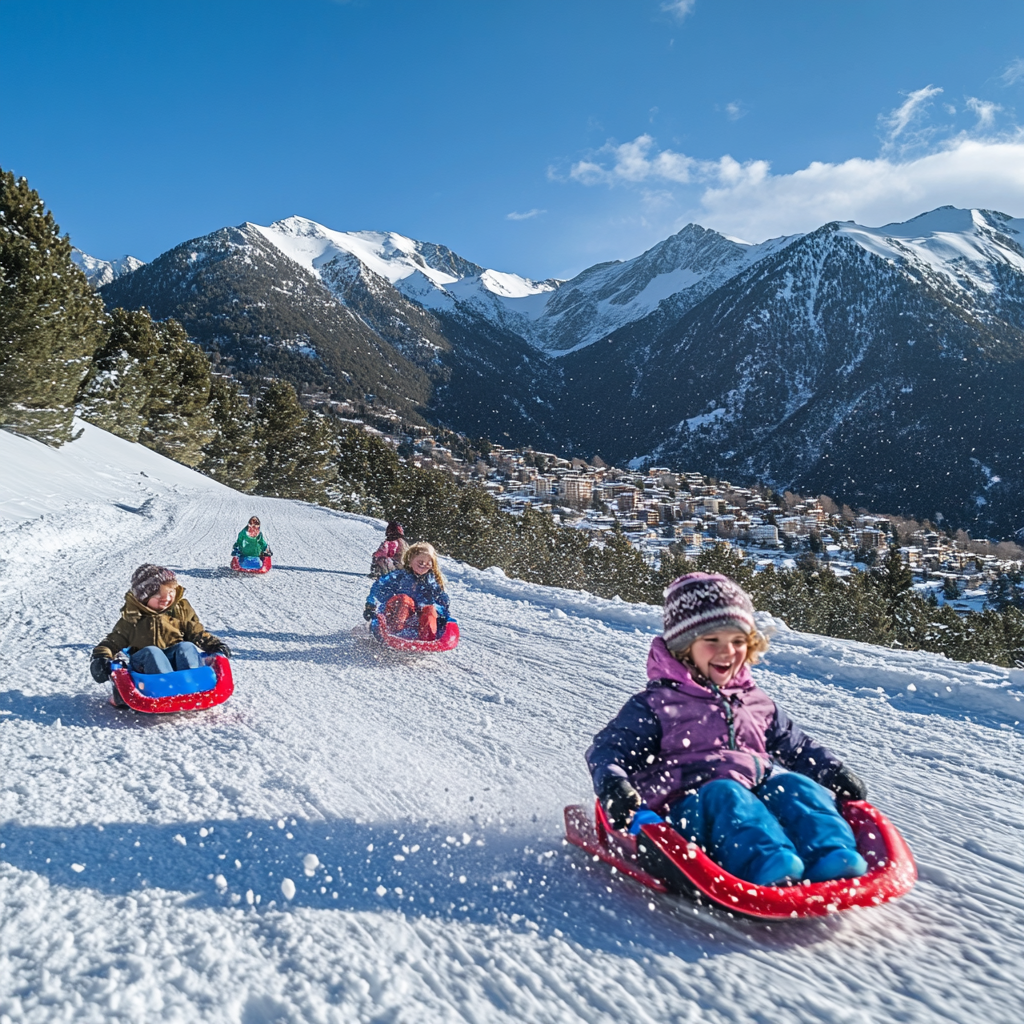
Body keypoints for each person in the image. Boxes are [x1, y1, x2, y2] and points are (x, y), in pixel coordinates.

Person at [586, 572, 869, 887]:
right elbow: (609, 749)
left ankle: (829, 854)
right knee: (726, 793)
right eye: (712, 640)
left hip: (750, 801)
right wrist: (614, 787)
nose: (727, 651)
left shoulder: (755, 701)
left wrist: (832, 771)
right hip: (683, 814)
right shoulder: (657, 705)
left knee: (792, 786)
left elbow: (797, 746)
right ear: (683, 646)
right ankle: (767, 863)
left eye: (738, 641)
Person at [91, 564, 232, 704]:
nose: (166, 598)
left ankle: (193, 685)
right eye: (158, 594)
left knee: (186, 647)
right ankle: (164, 690)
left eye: (171, 592)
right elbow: (113, 641)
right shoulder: (133, 617)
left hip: (174, 661)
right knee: (153, 652)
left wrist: (215, 645)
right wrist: (101, 658)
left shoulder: (180, 610)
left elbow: (196, 632)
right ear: (144, 597)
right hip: (145, 669)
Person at [363, 542, 450, 641]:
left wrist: (443, 615)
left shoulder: (432, 583)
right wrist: (371, 605)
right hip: (395, 613)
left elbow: (441, 601)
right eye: (420, 562)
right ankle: (394, 633)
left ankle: (428, 637)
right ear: (410, 561)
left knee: (430, 608)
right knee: (404, 599)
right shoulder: (399, 576)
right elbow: (378, 587)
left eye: (428, 563)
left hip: (417, 617)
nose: (424, 565)